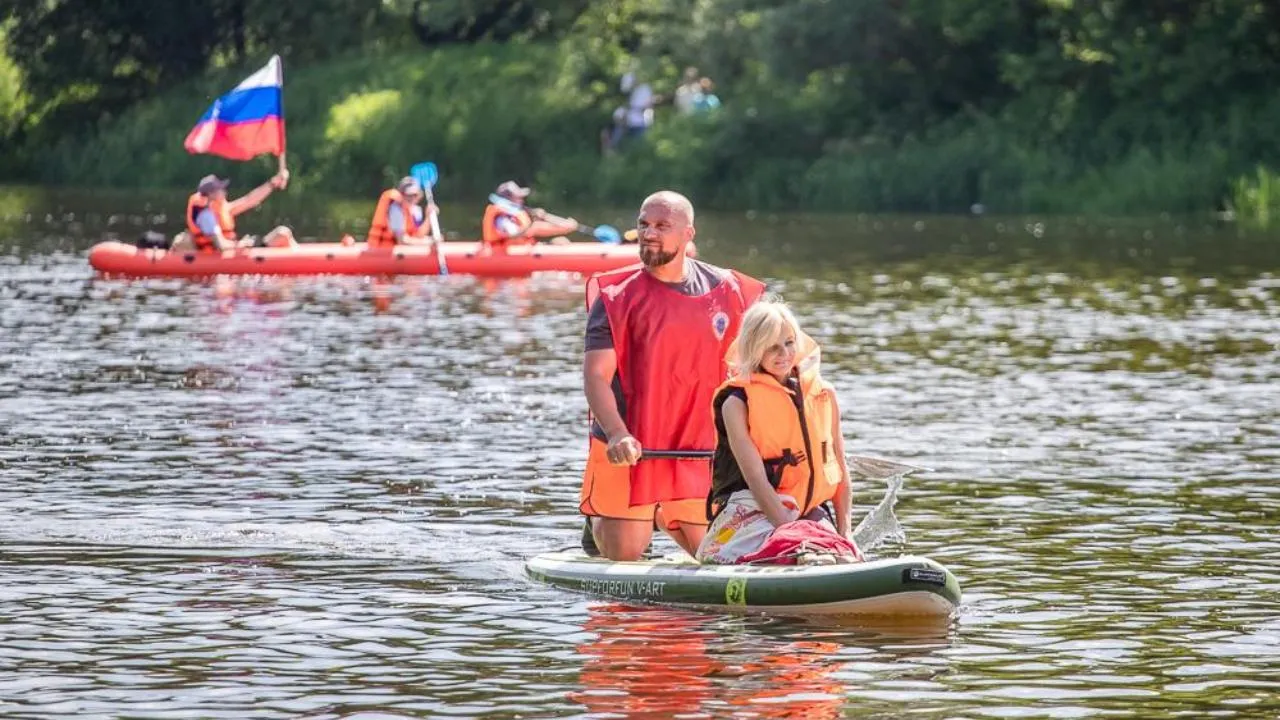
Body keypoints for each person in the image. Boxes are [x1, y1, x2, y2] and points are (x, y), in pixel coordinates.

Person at [580, 190, 766, 561]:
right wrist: (617, 434)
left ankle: (665, 513)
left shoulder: (730, 291)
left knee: (719, 557)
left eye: (662, 225)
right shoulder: (615, 298)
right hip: (632, 447)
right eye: (643, 224)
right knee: (626, 555)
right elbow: (596, 376)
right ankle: (598, 522)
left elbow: (768, 362)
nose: (649, 233)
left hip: (696, 449)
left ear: (688, 234)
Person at [695, 300, 852, 564]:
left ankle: (813, 549)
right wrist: (787, 532)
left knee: (840, 556)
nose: (784, 354)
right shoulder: (736, 402)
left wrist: (846, 533)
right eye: (772, 347)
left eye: (789, 343)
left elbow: (840, 470)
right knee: (793, 555)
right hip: (753, 506)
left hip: (808, 509)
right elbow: (755, 478)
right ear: (754, 349)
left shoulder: (825, 394)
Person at [174, 172, 295, 253]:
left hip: (231, 250)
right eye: (220, 188)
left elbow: (249, 200)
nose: (224, 190)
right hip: (219, 255)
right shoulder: (206, 216)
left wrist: (272, 183)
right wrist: (240, 245)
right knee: (283, 233)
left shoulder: (222, 208)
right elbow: (220, 245)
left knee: (282, 233)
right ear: (211, 194)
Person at [481, 181, 577, 252]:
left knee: (560, 241)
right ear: (508, 199)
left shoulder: (514, 214)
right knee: (536, 227)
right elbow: (513, 234)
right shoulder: (501, 217)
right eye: (518, 197)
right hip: (504, 253)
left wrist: (562, 225)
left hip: (520, 249)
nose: (522, 200)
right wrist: (533, 227)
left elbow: (529, 230)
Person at [366, 176, 439, 249]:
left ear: (419, 195)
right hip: (381, 251)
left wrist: (428, 218)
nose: (412, 198)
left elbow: (418, 235)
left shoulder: (413, 210)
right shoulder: (395, 209)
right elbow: (402, 241)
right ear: (401, 194)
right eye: (408, 195)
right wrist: (428, 242)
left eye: (415, 195)